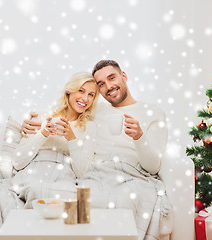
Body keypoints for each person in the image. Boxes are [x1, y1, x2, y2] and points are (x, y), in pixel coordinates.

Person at [22, 60, 171, 240]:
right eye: (101, 84)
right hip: (96, 172)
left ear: (123, 76)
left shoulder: (153, 112)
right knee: (76, 202)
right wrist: (31, 123)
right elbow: (66, 110)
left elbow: (154, 167)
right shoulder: (94, 108)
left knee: (127, 198)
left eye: (112, 78)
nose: (108, 86)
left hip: (132, 173)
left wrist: (139, 137)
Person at [12, 71, 99, 207]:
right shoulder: (42, 117)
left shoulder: (90, 127)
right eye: (81, 91)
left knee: (76, 196)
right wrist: (43, 133)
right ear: (69, 91)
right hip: (36, 171)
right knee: (36, 188)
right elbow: (17, 162)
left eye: (91, 95)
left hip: (65, 176)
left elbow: (84, 173)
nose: (85, 98)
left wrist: (71, 138)